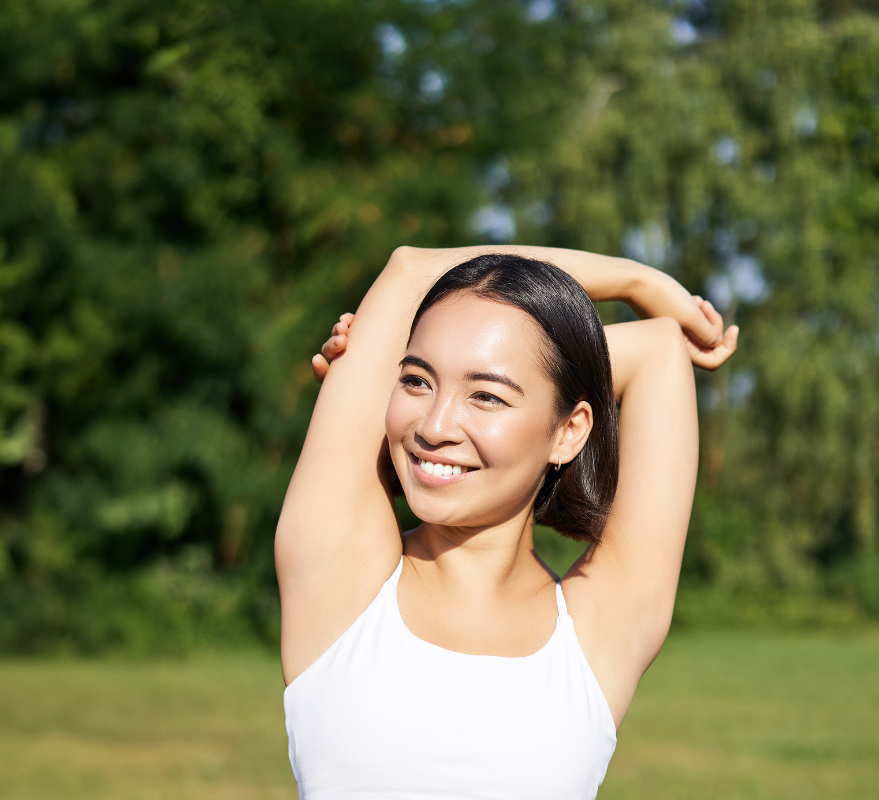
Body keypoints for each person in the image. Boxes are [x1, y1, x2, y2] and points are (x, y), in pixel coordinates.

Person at [277, 246, 739, 799]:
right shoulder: (339, 576)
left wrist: (545, 367)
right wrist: (638, 282)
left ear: (571, 431)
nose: (435, 425)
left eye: (486, 396)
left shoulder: (598, 631)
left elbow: (659, 351)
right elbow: (410, 269)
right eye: (417, 381)